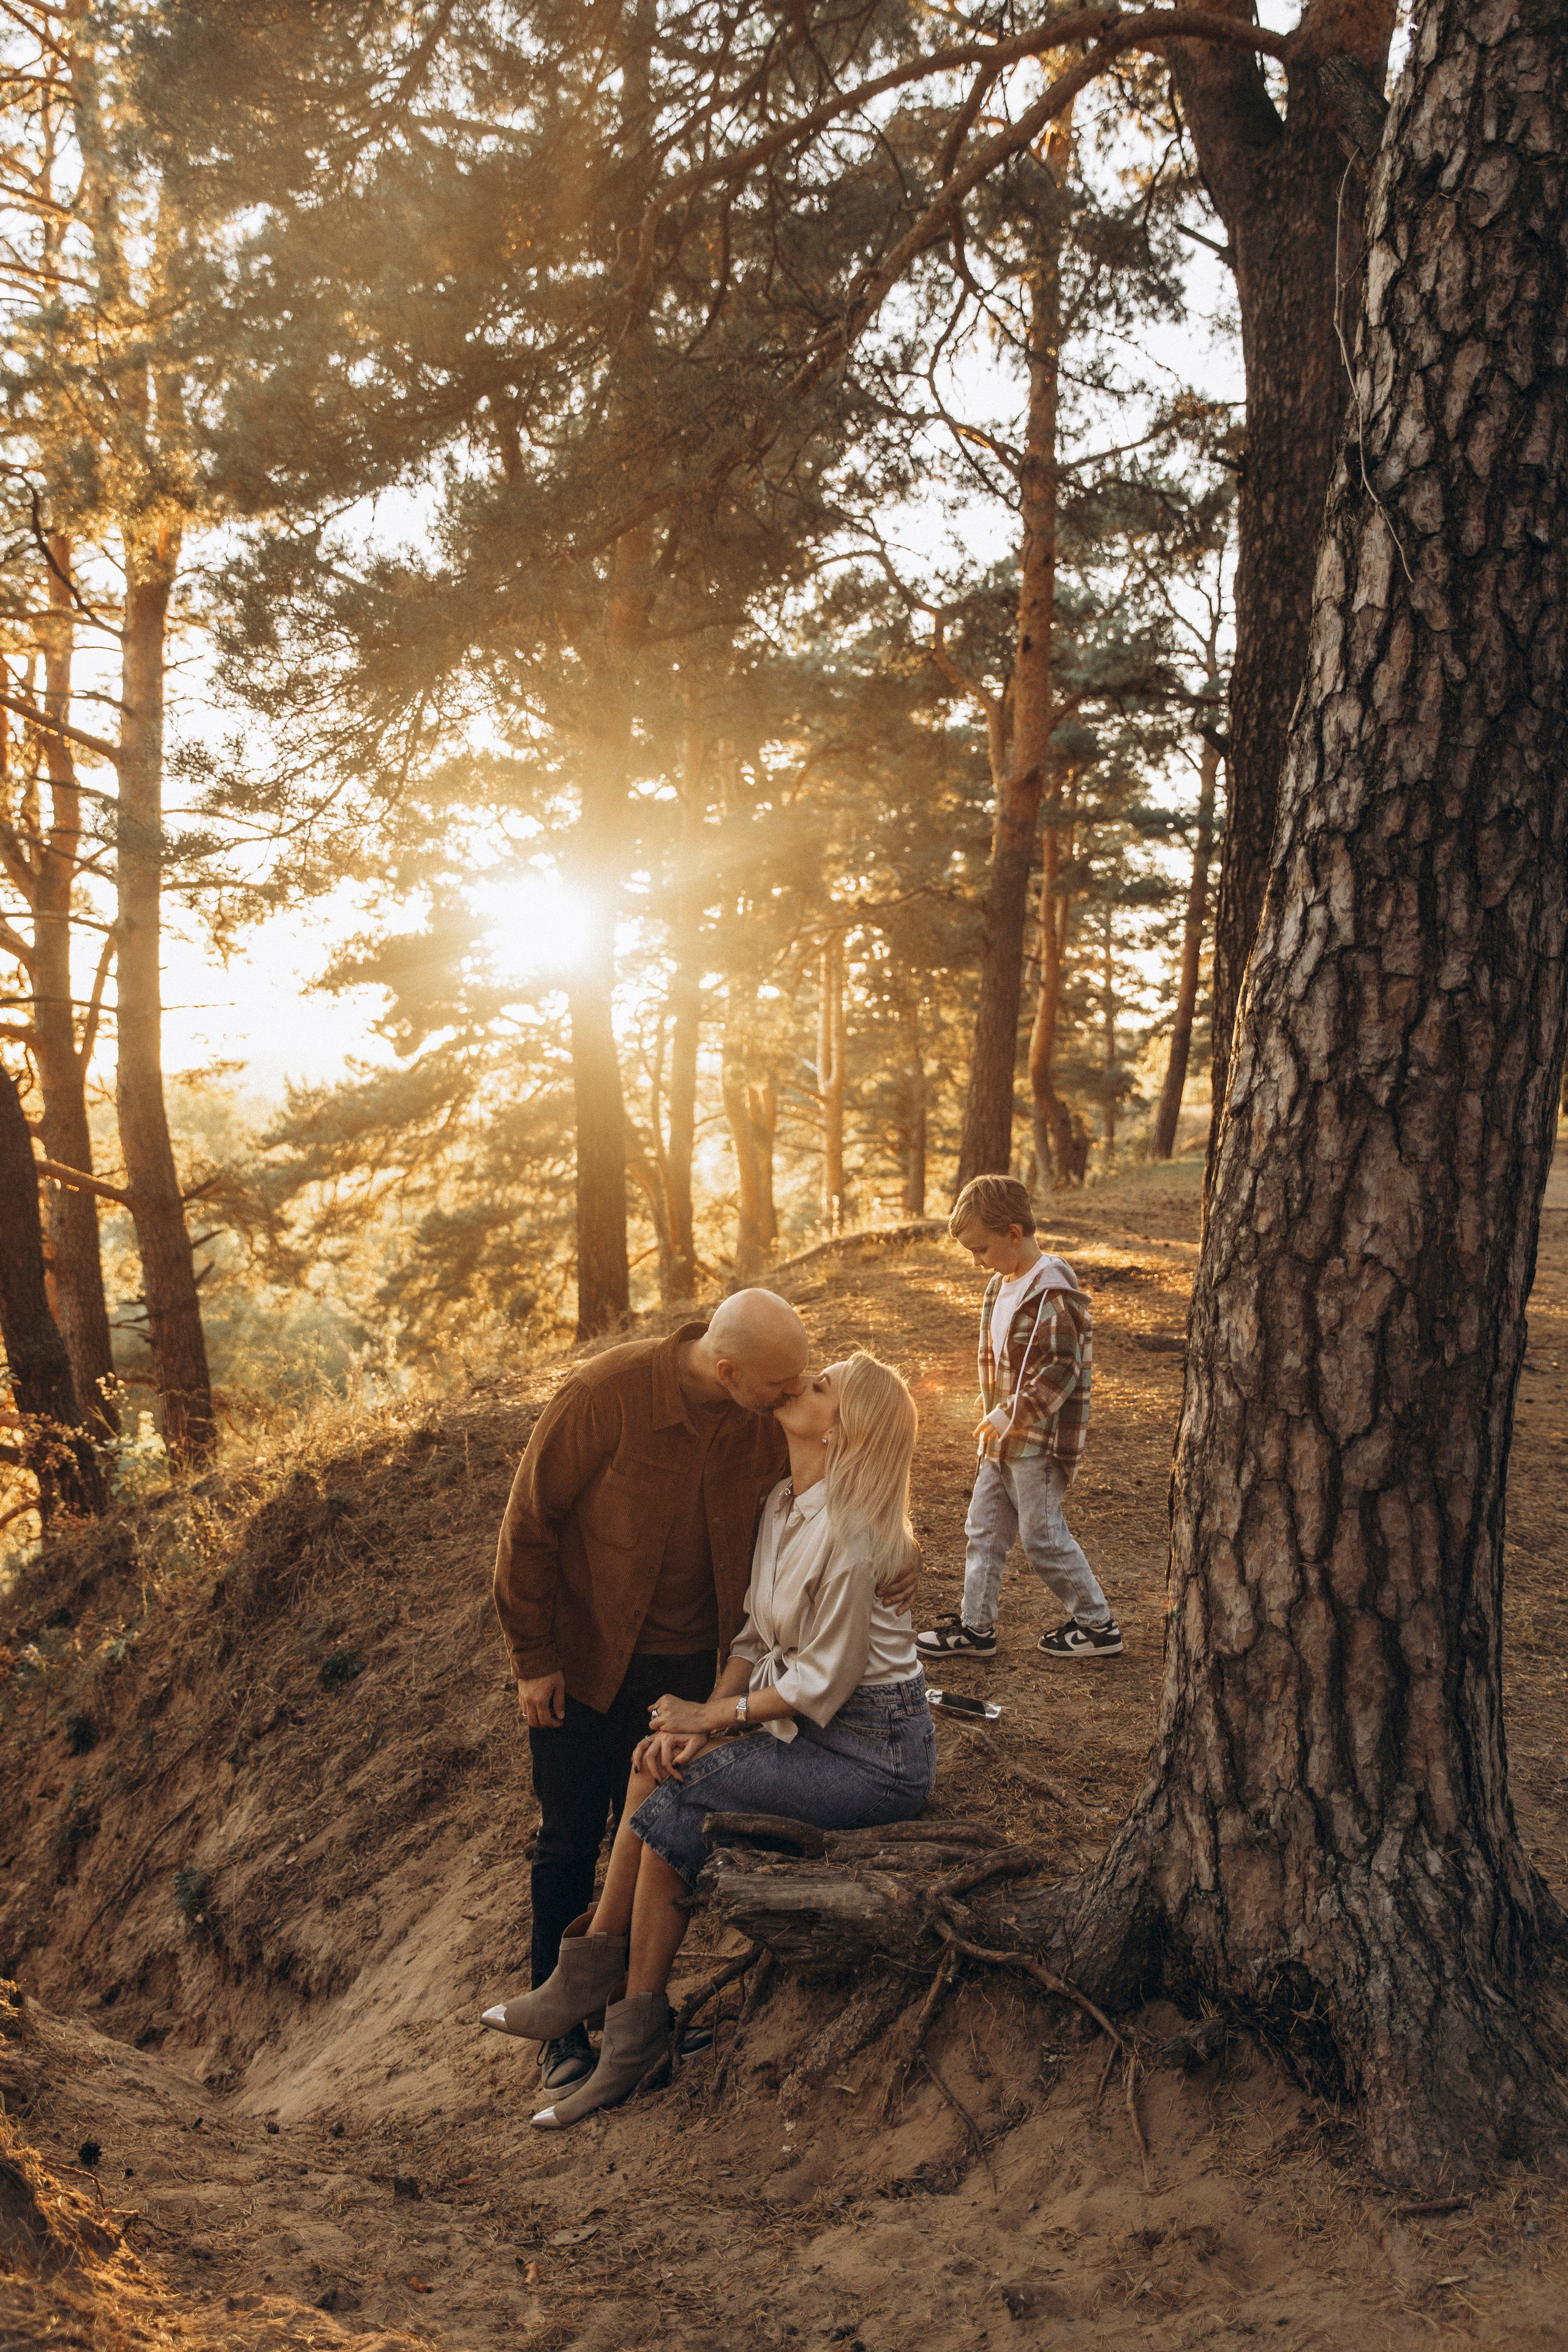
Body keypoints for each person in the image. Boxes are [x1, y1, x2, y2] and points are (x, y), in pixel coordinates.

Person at [483, 1293, 919, 2093]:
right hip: (582, 1662)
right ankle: (566, 2033)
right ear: (729, 1372)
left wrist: (891, 1547)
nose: (792, 1392)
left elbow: (852, 1482)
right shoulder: (603, 1394)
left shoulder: (768, 1421)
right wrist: (532, 1656)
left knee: (654, 1815)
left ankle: (627, 2019)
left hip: (694, 1668)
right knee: (569, 1839)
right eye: (783, 1383)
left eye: (803, 1382)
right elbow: (531, 1522)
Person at [917, 1174, 1120, 1665]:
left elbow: (1062, 1368)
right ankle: (976, 1627)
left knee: (1042, 1535)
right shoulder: (997, 1286)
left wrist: (1013, 1410)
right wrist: (997, 1417)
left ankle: (1098, 1625)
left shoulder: (1054, 1292)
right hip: (1000, 1441)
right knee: (982, 1531)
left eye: (981, 1249)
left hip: (1037, 1441)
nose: (976, 1261)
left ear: (1013, 1233)